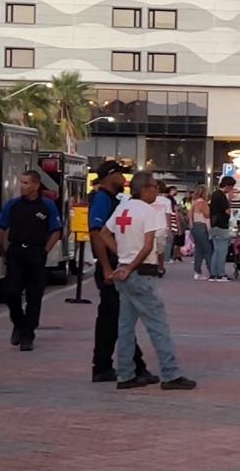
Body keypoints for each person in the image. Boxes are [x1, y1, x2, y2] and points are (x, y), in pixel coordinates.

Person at [95, 171, 197, 391]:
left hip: (124, 272)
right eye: (154, 187)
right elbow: (149, 244)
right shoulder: (149, 212)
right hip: (141, 273)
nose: (156, 191)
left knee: (125, 326)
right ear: (146, 188)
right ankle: (170, 374)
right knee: (157, 324)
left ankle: (125, 374)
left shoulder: (122, 208)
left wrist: (122, 257)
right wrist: (132, 265)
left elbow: (103, 233)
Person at [87, 161, 154, 384]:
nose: (124, 179)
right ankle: (134, 367)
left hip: (116, 265)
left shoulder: (114, 201)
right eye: (120, 174)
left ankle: (103, 366)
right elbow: (97, 234)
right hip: (112, 267)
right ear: (110, 175)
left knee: (111, 318)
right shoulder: (102, 200)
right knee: (121, 318)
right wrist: (107, 266)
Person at [0, 171, 63, 352]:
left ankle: (28, 335)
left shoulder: (48, 206)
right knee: (10, 292)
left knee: (34, 296)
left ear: (36, 185)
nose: (22, 186)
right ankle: (19, 323)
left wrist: (45, 250)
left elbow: (56, 231)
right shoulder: (12, 205)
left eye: (26, 183)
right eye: (21, 182)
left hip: (36, 253)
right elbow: (0, 229)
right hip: (15, 253)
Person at [208, 175, 236, 282]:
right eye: (231, 187)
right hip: (222, 226)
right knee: (222, 251)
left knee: (216, 250)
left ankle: (213, 274)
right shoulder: (222, 196)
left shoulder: (214, 194)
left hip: (214, 226)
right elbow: (227, 211)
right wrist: (230, 201)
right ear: (228, 186)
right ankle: (220, 273)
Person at [188, 185, 212, 281]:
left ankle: (197, 271)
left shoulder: (193, 203)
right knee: (208, 250)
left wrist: (191, 229)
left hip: (195, 227)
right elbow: (207, 216)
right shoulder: (203, 203)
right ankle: (212, 271)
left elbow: (189, 217)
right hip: (202, 227)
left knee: (198, 250)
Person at [151, 184, 175, 277]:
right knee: (160, 250)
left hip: (151, 227)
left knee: (152, 249)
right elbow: (168, 215)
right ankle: (160, 267)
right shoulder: (167, 201)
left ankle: (154, 267)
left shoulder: (150, 200)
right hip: (161, 227)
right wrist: (169, 229)